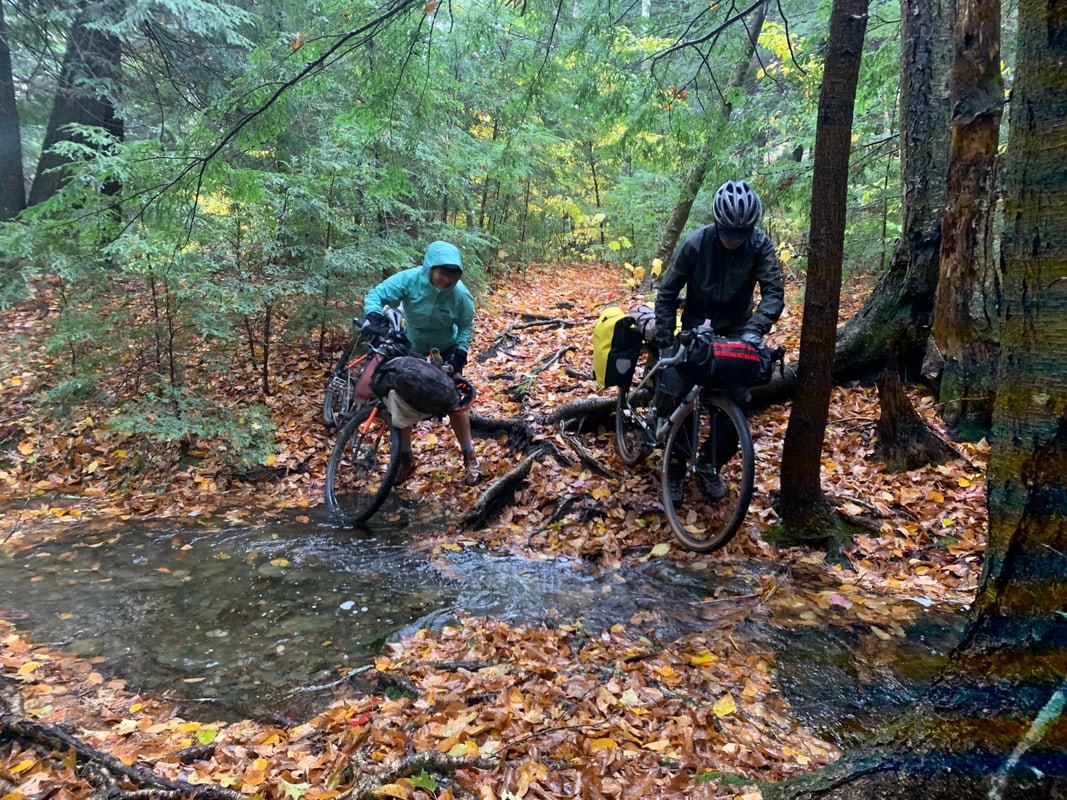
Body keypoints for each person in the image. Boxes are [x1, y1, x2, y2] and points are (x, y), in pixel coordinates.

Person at [653, 179, 785, 498]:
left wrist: (755, 330)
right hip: (696, 326)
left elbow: (773, 292)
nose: (733, 241)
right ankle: (676, 468)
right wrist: (666, 340)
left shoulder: (759, 245)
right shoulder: (695, 244)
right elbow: (668, 292)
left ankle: (710, 466)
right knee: (681, 389)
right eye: (728, 233)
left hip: (739, 328)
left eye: (740, 235)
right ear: (717, 223)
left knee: (737, 398)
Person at [361, 240, 480, 486]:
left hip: (444, 351)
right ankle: (406, 459)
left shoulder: (460, 296)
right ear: (429, 267)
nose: (446, 280)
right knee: (401, 400)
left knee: (454, 401)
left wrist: (460, 353)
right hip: (410, 346)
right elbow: (377, 295)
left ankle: (469, 455)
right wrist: (373, 314)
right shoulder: (410, 279)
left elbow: (466, 325)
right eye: (442, 273)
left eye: (452, 276)